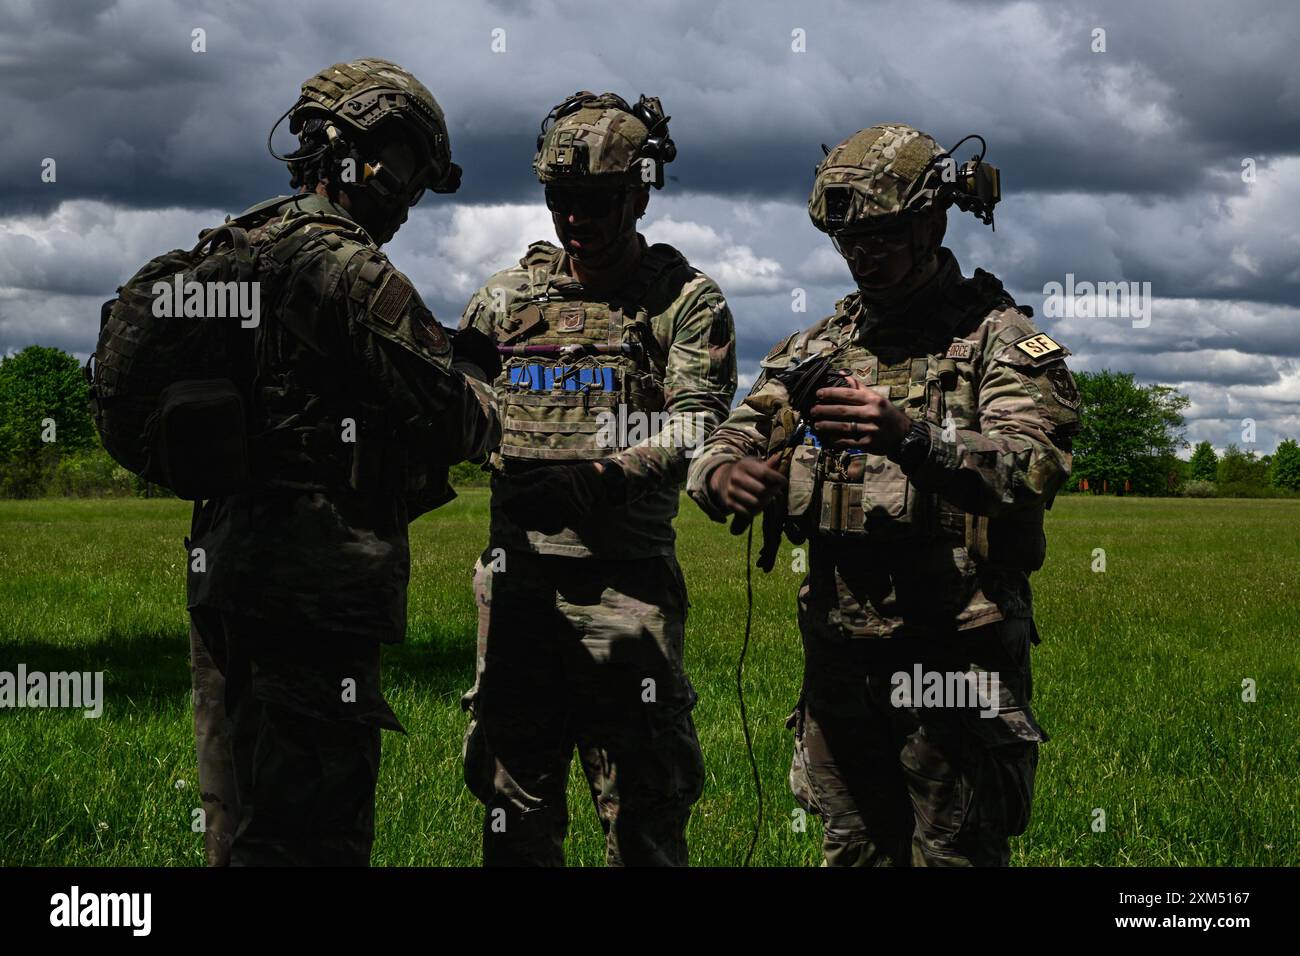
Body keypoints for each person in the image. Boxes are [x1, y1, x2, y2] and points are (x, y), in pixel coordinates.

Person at [686, 124, 1081, 866]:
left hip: (957, 663)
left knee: (956, 854)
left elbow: (1036, 462)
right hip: (842, 668)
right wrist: (721, 475)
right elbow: (734, 432)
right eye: (849, 240)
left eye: (883, 235)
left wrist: (911, 436)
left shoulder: (1001, 340)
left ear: (932, 221)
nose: (864, 256)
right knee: (855, 854)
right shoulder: (818, 347)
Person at [187, 58, 500, 866]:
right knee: (312, 834)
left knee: (239, 823)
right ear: (358, 153)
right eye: (406, 171)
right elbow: (453, 422)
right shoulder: (344, 266)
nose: (408, 197)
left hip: (224, 575)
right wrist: (475, 377)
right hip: (313, 595)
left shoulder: (234, 244)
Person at [457, 91, 737, 866]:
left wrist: (605, 476)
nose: (575, 217)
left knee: (644, 807)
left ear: (640, 193)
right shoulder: (507, 300)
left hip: (627, 589)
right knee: (515, 803)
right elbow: (455, 404)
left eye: (597, 200)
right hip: (518, 587)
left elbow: (697, 420)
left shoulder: (682, 301)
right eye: (561, 198)